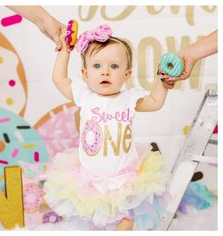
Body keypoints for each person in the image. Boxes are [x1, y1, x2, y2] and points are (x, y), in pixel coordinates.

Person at [43, 25, 175, 230]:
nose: (105, 71)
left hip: (125, 179)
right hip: (89, 179)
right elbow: (59, 79)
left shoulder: (129, 99)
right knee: (92, 220)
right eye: (97, 66)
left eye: (114, 66)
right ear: (85, 73)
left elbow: (155, 102)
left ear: (127, 74)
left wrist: (163, 83)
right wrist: (65, 52)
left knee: (126, 220)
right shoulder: (84, 96)